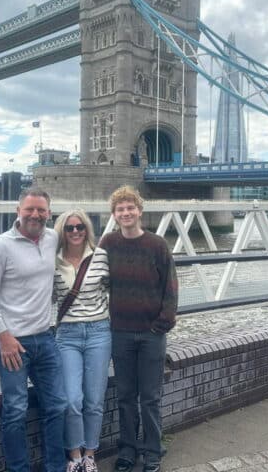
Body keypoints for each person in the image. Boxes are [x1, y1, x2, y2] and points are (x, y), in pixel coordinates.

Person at [0, 188, 67, 472]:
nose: (35, 215)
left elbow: (80, 249)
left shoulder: (52, 238)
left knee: (58, 406)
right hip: (12, 342)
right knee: (15, 411)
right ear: (18, 211)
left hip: (45, 338)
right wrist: (3, 337)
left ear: (48, 214)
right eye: (30, 209)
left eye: (41, 210)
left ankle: (56, 467)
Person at [99, 186, 178, 472]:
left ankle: (153, 450)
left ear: (139, 211)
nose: (126, 213)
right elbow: (94, 277)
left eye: (130, 207)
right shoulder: (107, 244)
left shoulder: (157, 245)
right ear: (115, 215)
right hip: (119, 331)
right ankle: (128, 450)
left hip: (150, 334)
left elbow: (170, 287)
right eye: (120, 209)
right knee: (125, 396)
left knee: (150, 397)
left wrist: (162, 324)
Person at [53, 210, 111, 472]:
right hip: (68, 335)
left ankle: (90, 455)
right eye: (69, 228)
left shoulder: (101, 256)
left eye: (80, 227)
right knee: (71, 399)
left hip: (100, 331)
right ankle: (74, 455)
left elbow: (116, 289)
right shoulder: (52, 261)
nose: (75, 232)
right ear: (61, 232)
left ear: (87, 230)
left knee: (94, 399)